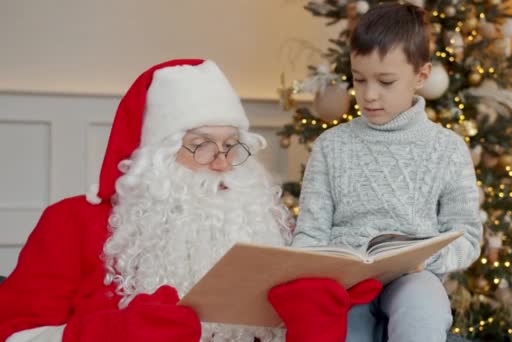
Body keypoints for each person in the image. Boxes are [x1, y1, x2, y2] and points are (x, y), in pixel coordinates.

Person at [0, 59, 301, 342]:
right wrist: (117, 332)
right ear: (157, 155)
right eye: (201, 146)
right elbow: (14, 333)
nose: (222, 163)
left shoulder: (260, 221)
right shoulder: (72, 221)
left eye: (231, 145)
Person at [290, 3, 483, 342]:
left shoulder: (447, 148)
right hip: (345, 282)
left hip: (415, 275)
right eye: (359, 79)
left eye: (386, 81)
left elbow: (467, 235)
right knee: (341, 329)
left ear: (422, 75)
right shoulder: (331, 146)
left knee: (423, 306)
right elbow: (310, 234)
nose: (369, 95)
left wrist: (429, 258)